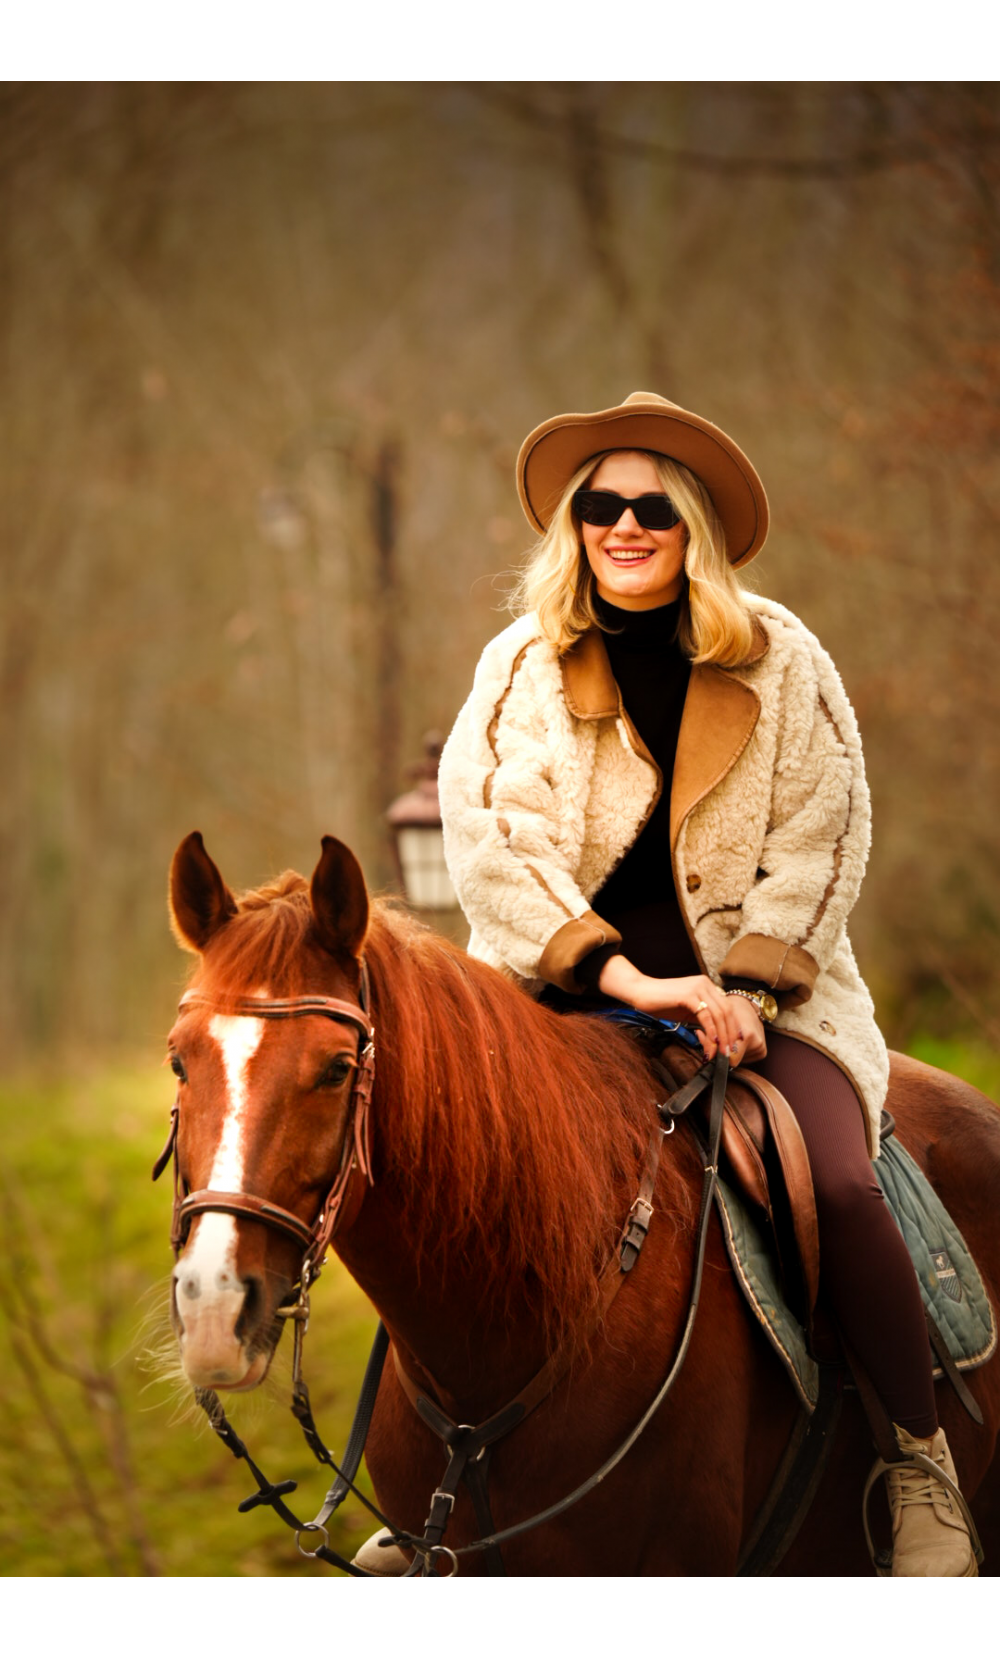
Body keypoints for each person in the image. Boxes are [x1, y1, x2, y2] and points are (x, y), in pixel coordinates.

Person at [433, 390, 977, 1578]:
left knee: (840, 1179)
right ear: (573, 525)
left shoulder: (783, 659)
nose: (624, 526)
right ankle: (431, 1474)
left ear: (695, 529)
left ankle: (917, 1456)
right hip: (561, 994)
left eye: (653, 508)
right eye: (600, 505)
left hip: (765, 996)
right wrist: (626, 975)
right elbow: (493, 841)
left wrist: (746, 989)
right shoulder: (520, 665)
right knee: (446, 1175)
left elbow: (823, 837)